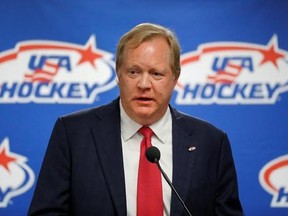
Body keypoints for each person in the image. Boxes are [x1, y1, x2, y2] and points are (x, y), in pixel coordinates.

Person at [28, 23, 244, 216]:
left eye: (156, 74)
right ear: (118, 75)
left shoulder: (211, 142)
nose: (143, 84)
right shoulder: (73, 134)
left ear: (175, 79)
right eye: (133, 72)